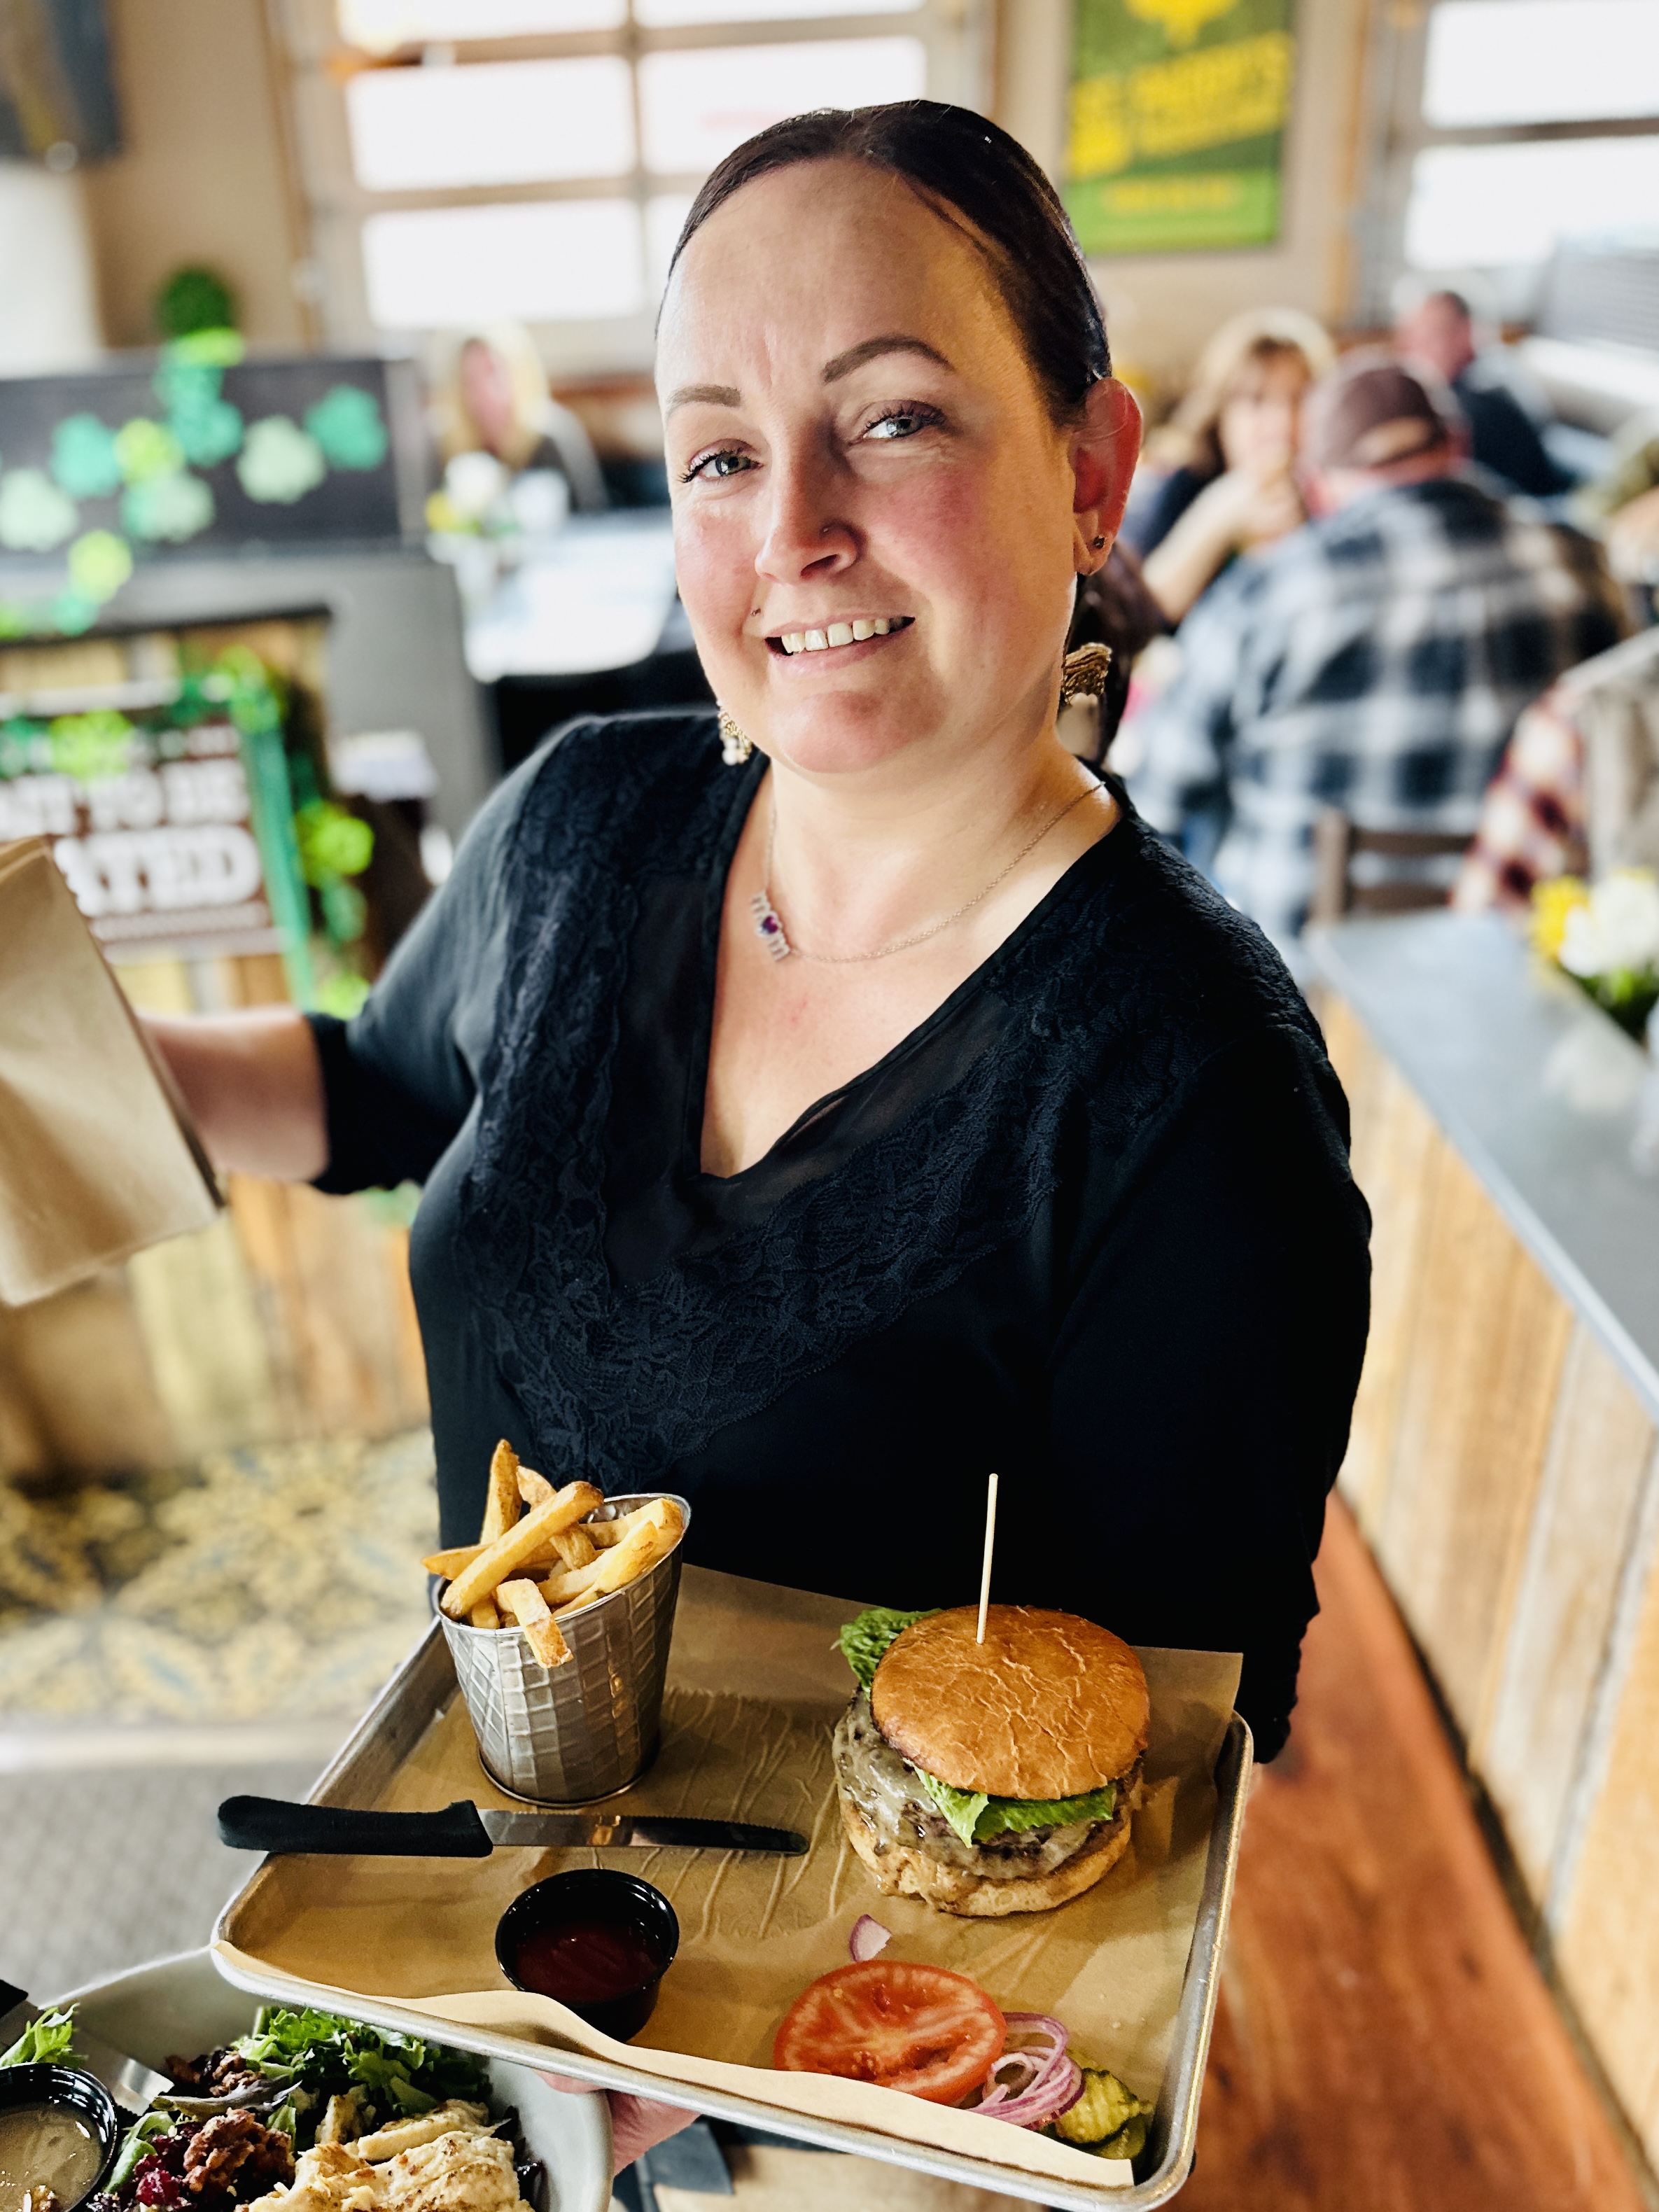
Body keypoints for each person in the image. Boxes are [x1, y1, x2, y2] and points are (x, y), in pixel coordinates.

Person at [144, 108, 1368, 1756]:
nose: (793, 524)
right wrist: (62, 1043)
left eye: (891, 420)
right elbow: (376, 1091)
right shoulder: (583, 818)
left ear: (1090, 474)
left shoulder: (1191, 1089)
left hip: (864, 1994)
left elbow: (1176, 1733)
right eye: (719, 452)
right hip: (473, 1879)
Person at [1130, 352, 1623, 959]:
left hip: (1302, 984)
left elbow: (1161, 791)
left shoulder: (1275, 590)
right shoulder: (1586, 562)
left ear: (1318, 480)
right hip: (1525, 959)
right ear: (1459, 442)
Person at [1121, 307, 1335, 624]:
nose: (1281, 423)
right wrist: (1219, 516)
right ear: (1220, 415)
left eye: (1299, 399)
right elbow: (1138, 615)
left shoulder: (1337, 497)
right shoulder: (1187, 485)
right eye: (1256, 401)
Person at [1395, 288, 1567, 500]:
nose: (1413, 352)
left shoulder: (1479, 400)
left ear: (1466, 332)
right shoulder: (1494, 364)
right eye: (1411, 338)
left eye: (1430, 337)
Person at [437, 321, 608, 513]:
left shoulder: (553, 438)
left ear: (518, 374)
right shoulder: (442, 445)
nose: (483, 391)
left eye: (492, 373)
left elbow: (591, 514)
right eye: (470, 379)